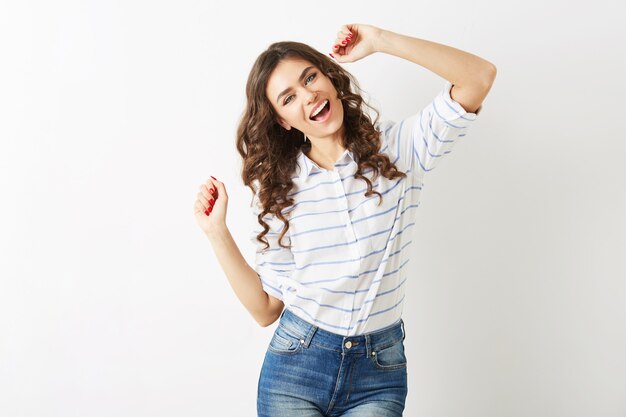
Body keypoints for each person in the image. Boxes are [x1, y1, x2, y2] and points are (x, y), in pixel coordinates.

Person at [193, 23, 496, 417]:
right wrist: (216, 232)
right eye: (289, 98)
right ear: (283, 121)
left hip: (378, 372)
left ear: (329, 77)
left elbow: (479, 77)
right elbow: (266, 309)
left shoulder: (400, 150)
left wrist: (382, 41)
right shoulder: (280, 191)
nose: (309, 95)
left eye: (310, 77)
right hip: (296, 368)